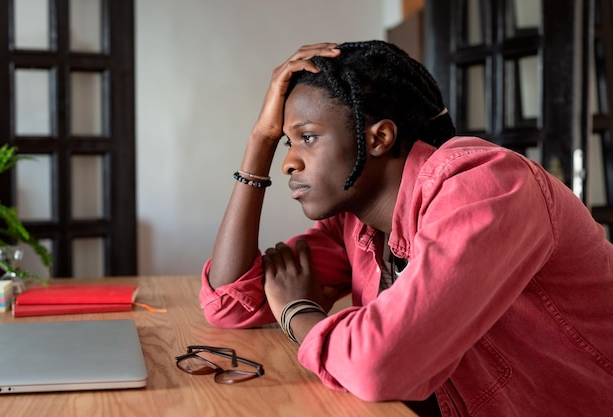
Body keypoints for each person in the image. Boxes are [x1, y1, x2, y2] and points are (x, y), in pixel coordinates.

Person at [199, 41, 613, 417]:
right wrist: (260, 138)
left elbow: (379, 366)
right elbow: (229, 303)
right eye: (286, 144)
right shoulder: (354, 224)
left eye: (307, 137)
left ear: (379, 138)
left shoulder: (489, 188)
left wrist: (298, 312)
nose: (289, 163)